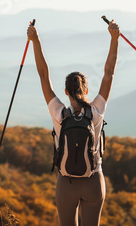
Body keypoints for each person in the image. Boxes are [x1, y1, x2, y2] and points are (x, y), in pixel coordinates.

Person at [27, 20, 120, 226]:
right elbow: (109, 72)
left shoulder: (59, 113)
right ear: (86, 91)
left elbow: (43, 75)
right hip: (94, 180)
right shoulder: (96, 111)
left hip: (66, 183)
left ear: (66, 92)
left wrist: (35, 40)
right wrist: (114, 39)